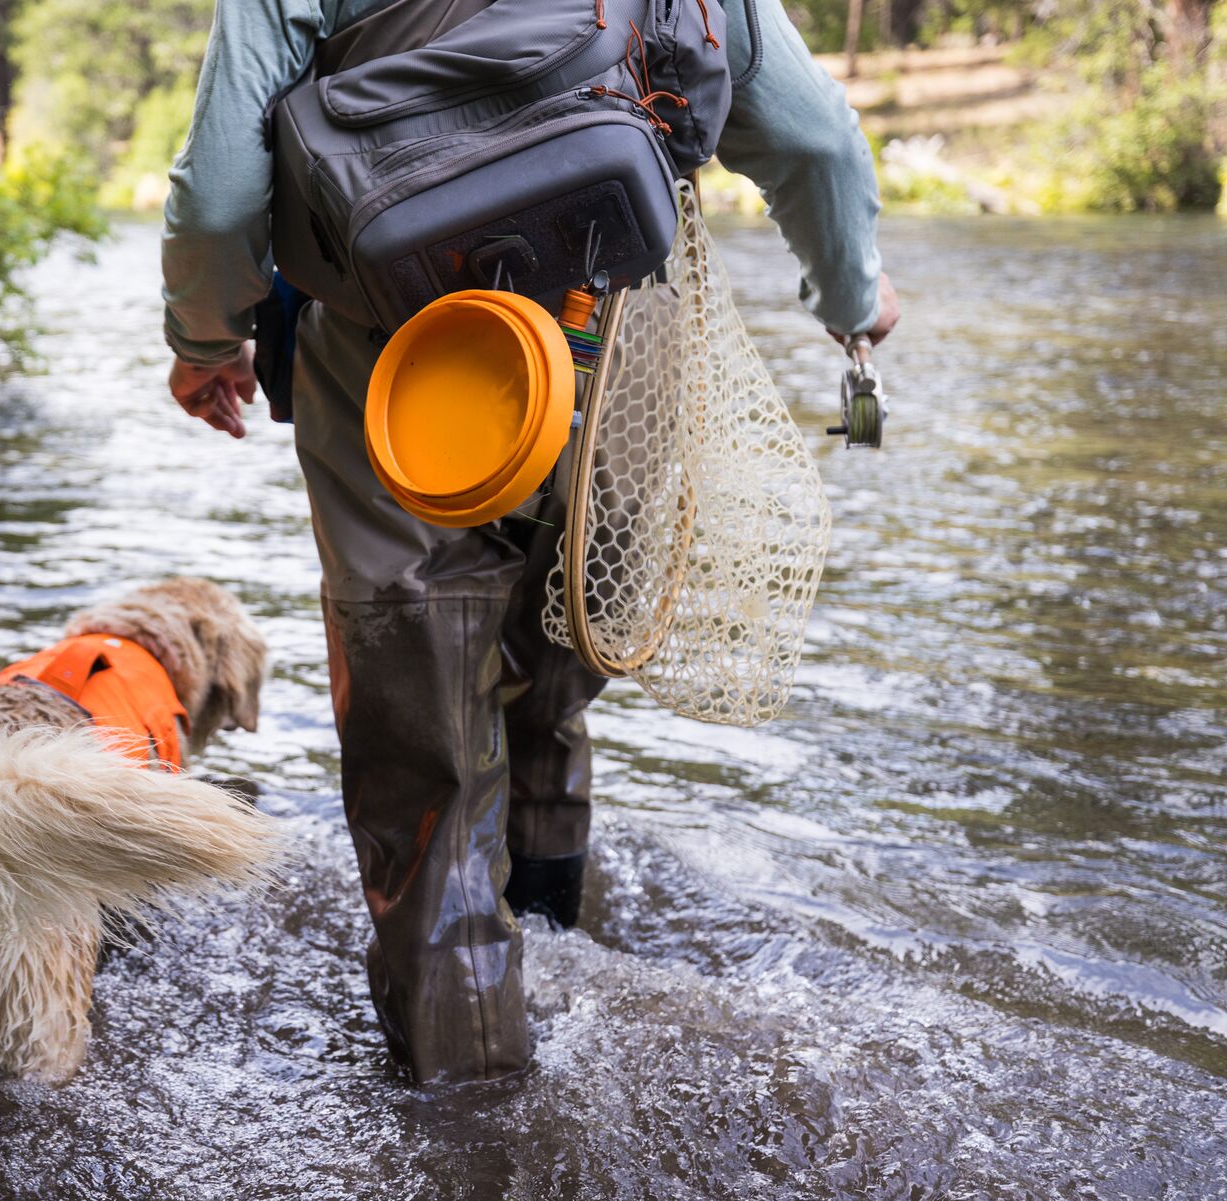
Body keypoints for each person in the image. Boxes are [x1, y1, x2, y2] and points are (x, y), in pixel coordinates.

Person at [161, 0, 901, 1085]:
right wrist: (854, 299)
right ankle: (560, 946)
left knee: (428, 732)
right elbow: (816, 145)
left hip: (397, 355)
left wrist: (206, 338)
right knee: (554, 663)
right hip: (612, 333)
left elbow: (221, 192)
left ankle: (470, 1102)